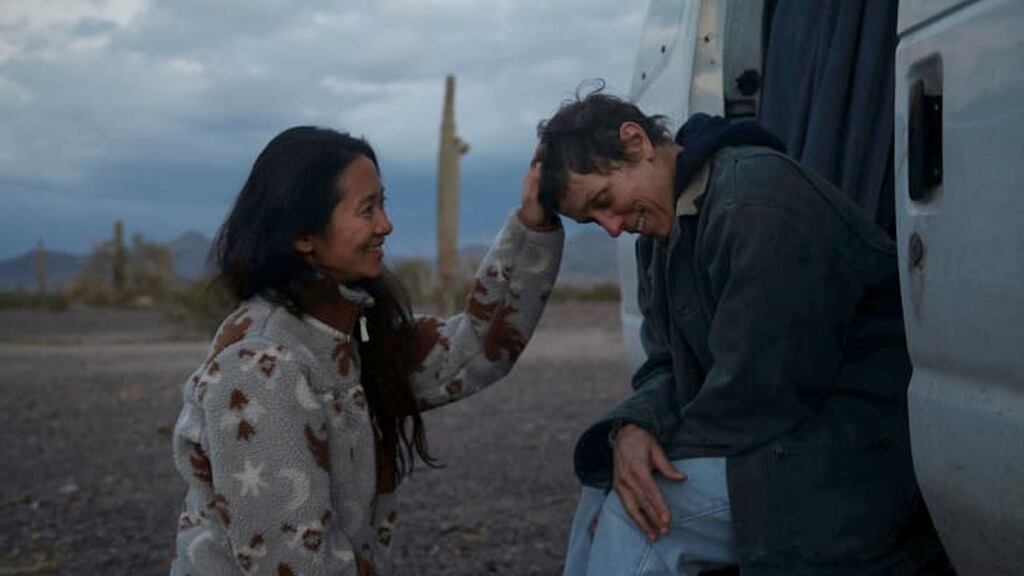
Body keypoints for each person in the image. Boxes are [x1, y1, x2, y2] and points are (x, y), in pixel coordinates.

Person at [536, 92, 941, 576]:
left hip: (853, 452)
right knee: (604, 485)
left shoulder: (756, 200)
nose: (611, 228)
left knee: (634, 512)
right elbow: (665, 362)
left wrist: (649, 450)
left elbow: (762, 388)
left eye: (604, 201)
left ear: (636, 140)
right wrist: (634, 427)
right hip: (776, 437)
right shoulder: (664, 233)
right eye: (592, 220)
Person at [169, 126, 563, 575]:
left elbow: (471, 350)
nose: (385, 225)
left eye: (383, 203)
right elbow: (297, 564)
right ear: (303, 235)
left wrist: (534, 225)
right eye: (366, 209)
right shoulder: (260, 367)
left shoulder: (348, 328)